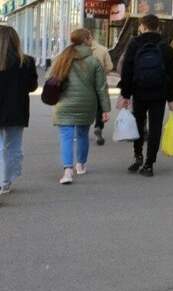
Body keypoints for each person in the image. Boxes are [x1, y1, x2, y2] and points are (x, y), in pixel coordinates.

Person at [49, 29, 110, 185]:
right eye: (90, 38)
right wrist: (105, 109)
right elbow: (101, 87)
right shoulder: (94, 61)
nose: (92, 40)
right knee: (82, 135)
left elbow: (50, 77)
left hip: (64, 104)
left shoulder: (62, 57)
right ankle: (81, 165)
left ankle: (67, 171)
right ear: (85, 40)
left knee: (66, 137)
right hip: (86, 104)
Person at [118, 14, 173, 177]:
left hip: (139, 91)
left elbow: (127, 71)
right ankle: (149, 164)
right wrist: (171, 99)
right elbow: (171, 75)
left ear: (143, 27)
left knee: (138, 123)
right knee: (155, 127)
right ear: (157, 27)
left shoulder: (134, 44)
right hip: (159, 93)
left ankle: (138, 155)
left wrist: (125, 94)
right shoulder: (166, 47)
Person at [0, 26, 38, 195]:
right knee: (14, 146)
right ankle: (6, 180)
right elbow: (32, 86)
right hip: (16, 109)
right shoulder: (26, 61)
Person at [83, 29, 113, 145]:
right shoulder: (103, 49)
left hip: (84, 83)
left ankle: (81, 130)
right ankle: (98, 127)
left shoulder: (77, 51)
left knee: (84, 106)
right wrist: (102, 73)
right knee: (100, 106)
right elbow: (109, 66)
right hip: (99, 82)